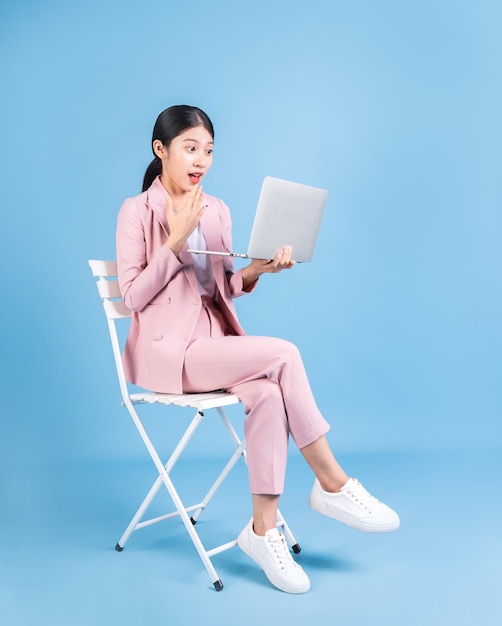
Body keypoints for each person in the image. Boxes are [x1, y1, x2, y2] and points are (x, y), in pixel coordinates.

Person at [116, 104, 400, 594]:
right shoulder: (136, 211)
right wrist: (174, 244)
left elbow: (220, 287)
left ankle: (262, 532)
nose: (201, 158)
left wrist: (258, 270)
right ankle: (333, 483)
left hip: (215, 344)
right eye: (190, 148)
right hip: (171, 355)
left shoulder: (218, 209)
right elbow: (133, 297)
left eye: (208, 150)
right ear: (160, 150)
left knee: (269, 395)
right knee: (284, 353)